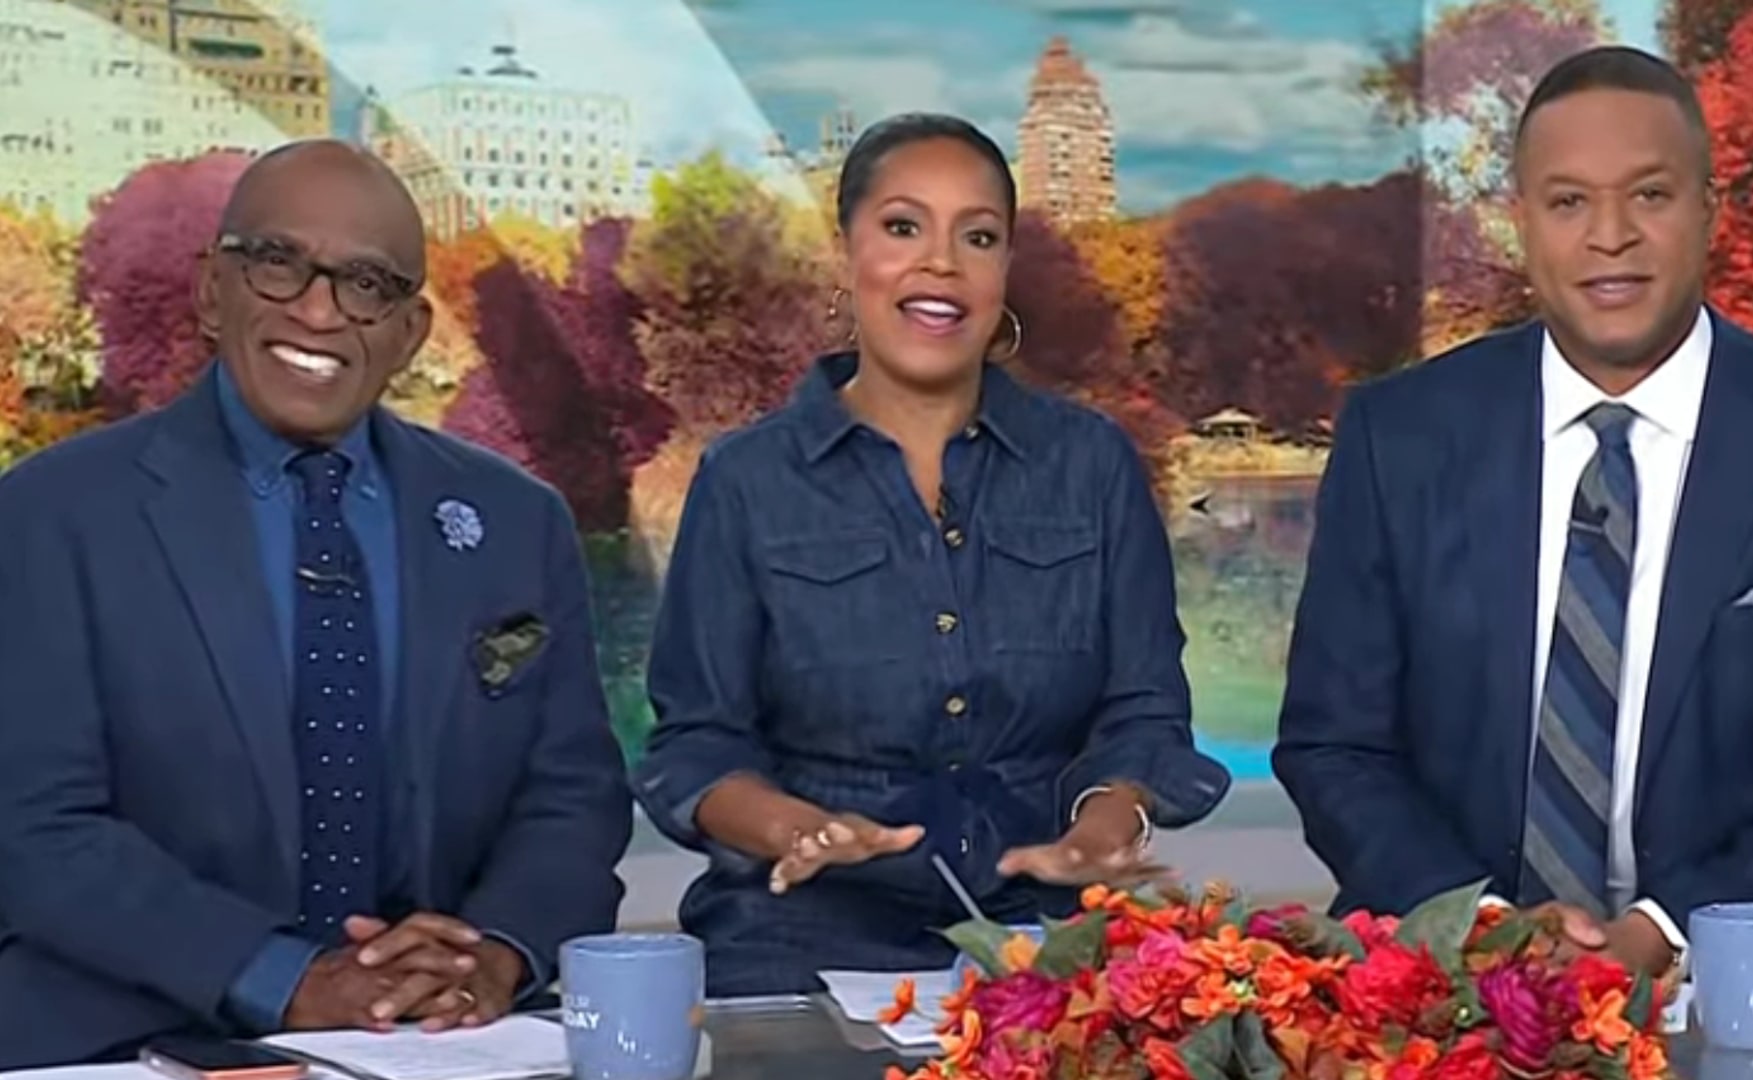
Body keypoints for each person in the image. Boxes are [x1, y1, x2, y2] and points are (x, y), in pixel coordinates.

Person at [1273, 46, 1753, 992]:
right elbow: (1336, 746)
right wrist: (1487, 929)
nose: (1609, 235)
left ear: (1708, 207)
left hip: (1739, 992)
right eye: (1569, 202)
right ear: (1522, 221)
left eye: (1648, 195)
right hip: (1441, 990)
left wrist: (1665, 931)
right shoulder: (1399, 436)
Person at [0, 140, 633, 1067]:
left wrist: (490, 956)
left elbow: (571, 797)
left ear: (411, 332)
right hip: (120, 1037)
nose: (320, 309)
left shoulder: (515, 522)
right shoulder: (52, 513)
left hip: (432, 1043)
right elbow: (34, 828)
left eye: (366, 283)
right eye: (278, 263)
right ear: (213, 291)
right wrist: (287, 979)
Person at [632, 112, 1229, 995]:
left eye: (978, 237)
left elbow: (1143, 710)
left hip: (1045, 940)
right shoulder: (747, 478)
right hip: (796, 936)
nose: (941, 262)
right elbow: (694, 747)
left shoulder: (1091, 464)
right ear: (847, 255)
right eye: (903, 227)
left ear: (1003, 271)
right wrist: (796, 828)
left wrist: (1106, 823)